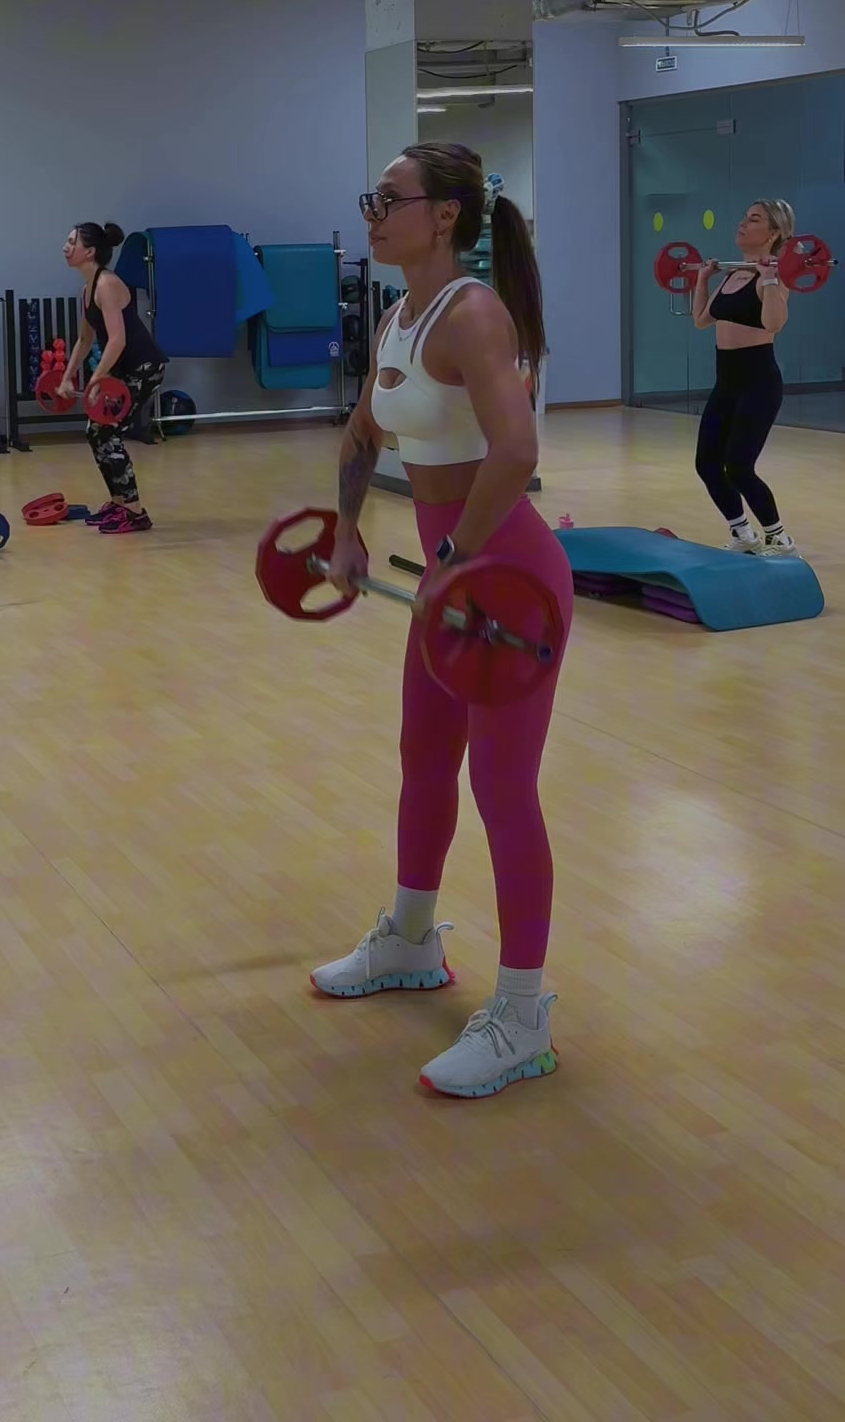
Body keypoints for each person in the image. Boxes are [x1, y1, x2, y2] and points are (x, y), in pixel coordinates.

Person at [311, 145, 574, 1101]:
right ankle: (412, 941)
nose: (374, 214)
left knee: (504, 788)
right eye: (372, 198)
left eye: (391, 200)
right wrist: (347, 530)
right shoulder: (399, 317)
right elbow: (362, 432)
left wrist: (454, 557)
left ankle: (523, 1015)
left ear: (447, 215)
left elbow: (517, 449)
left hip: (508, 583)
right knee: (424, 754)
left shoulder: (473, 315)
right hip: (451, 581)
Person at [692, 199, 799, 557]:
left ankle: (779, 539)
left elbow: (773, 324)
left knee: (738, 466)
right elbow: (702, 320)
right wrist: (702, 279)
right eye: (744, 217)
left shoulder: (774, 277)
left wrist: (769, 279)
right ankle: (743, 534)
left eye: (753, 219)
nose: (742, 223)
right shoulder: (733, 274)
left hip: (758, 383)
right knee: (707, 464)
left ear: (773, 234)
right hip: (726, 382)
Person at [59, 222, 166, 533]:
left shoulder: (106, 284)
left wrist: (95, 380)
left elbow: (117, 340)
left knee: (106, 431)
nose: (65, 247)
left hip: (144, 367)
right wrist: (67, 378)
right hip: (124, 368)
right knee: (96, 431)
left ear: (89, 251)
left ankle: (135, 512)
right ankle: (119, 502)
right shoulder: (88, 289)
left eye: (72, 242)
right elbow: (85, 340)